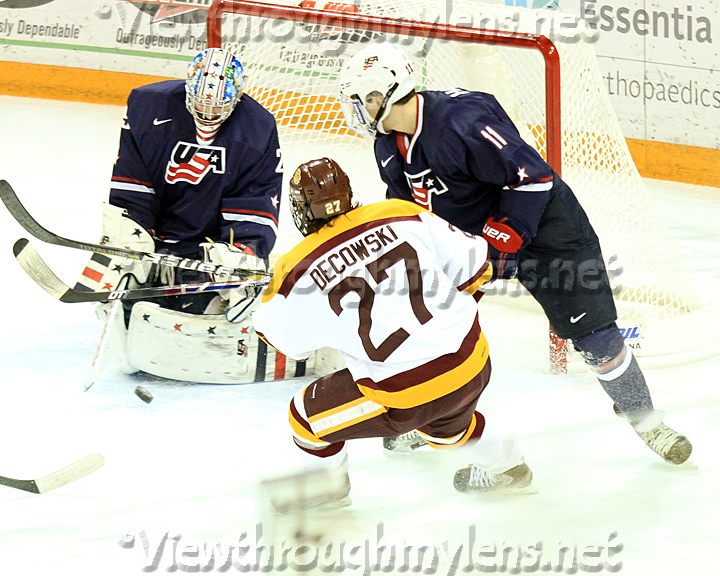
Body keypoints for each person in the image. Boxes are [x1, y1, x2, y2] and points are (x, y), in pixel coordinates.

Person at [338, 43, 692, 465]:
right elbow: (410, 210)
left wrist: (506, 236)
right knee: (424, 325)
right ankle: (430, 418)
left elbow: (534, 179)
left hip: (545, 227)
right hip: (474, 238)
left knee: (594, 335)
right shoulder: (387, 145)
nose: (357, 110)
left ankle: (646, 419)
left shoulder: (461, 122)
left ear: (384, 93)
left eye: (363, 100)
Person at [252, 157, 536, 507]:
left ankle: (328, 492)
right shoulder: (399, 212)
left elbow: (283, 344)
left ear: (302, 209)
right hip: (473, 359)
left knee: (304, 418)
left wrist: (270, 295)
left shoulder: (294, 269)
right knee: (446, 425)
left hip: (406, 393)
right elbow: (477, 268)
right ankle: (509, 468)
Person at [74, 48, 285, 383]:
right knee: (123, 261)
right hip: (158, 239)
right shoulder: (148, 106)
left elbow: (257, 198)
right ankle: (138, 267)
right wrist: (132, 232)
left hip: (209, 247)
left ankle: (212, 285)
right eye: (201, 103)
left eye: (218, 105)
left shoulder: (257, 128)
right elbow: (134, 177)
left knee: (212, 307)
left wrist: (240, 251)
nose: (208, 112)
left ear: (238, 97)